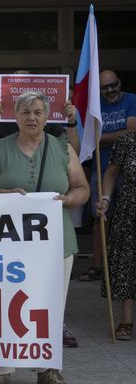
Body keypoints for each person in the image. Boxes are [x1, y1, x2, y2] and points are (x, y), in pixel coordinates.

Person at [0, 91, 89, 384]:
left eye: (37, 112)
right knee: (2, 304)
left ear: (47, 116)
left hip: (56, 244)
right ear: (16, 116)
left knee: (48, 306)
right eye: (24, 112)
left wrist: (66, 200)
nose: (31, 118)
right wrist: (3, 195)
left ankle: (47, 368)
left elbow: (82, 188)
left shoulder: (63, 149)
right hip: (7, 244)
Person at [80, 70, 136, 282]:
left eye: (114, 84)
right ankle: (98, 266)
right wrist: (104, 138)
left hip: (129, 168)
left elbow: (131, 132)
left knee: (129, 217)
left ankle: (125, 267)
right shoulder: (94, 107)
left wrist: (101, 138)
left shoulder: (132, 100)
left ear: (120, 83)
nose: (111, 90)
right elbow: (90, 138)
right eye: (105, 87)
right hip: (101, 167)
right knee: (100, 217)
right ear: (99, 90)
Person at [96, 129, 136, 340]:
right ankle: (126, 321)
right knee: (126, 265)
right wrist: (105, 199)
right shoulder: (127, 141)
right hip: (129, 211)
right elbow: (111, 173)